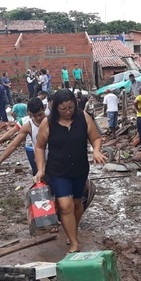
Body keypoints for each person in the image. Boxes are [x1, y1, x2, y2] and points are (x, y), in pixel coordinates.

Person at [34, 89, 105, 254]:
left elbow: (95, 138)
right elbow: (39, 146)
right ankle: (74, 242)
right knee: (65, 206)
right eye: (63, 109)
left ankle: (72, 229)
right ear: (55, 107)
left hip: (79, 169)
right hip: (58, 171)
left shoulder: (83, 117)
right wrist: (40, 169)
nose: (67, 112)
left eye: (71, 108)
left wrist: (96, 151)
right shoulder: (48, 123)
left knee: (77, 204)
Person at [0, 98, 47, 176]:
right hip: (40, 160)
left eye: (40, 114)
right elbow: (13, 145)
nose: (38, 118)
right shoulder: (28, 125)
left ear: (44, 108)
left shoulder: (53, 121)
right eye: (34, 116)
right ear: (29, 113)